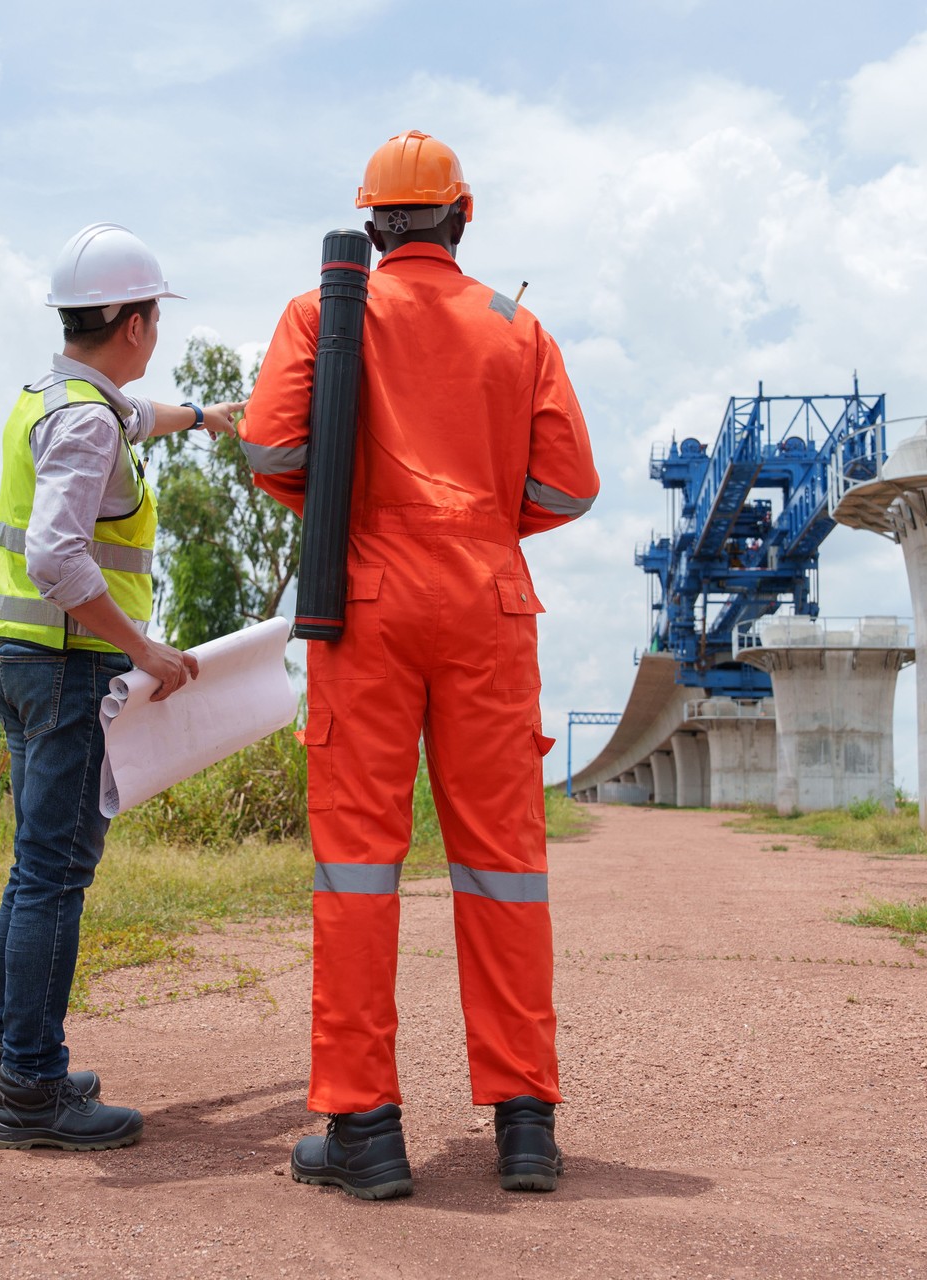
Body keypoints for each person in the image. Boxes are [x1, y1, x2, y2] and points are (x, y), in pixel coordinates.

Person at [239, 131, 599, 1197]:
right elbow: (572, 486)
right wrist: (486, 516)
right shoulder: (515, 326)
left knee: (358, 864)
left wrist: (348, 507)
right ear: (463, 215)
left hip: (367, 598)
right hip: (490, 601)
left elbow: (269, 448)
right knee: (504, 863)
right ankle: (525, 1123)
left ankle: (363, 1127)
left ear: (370, 221)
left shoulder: (325, 314)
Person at [0, 223, 243, 1151]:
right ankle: (32, 1094)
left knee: (31, 871)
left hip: (19, 660)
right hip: (68, 668)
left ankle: (12, 1064)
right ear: (133, 323)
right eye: (154, 315)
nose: (156, 331)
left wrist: (208, 419)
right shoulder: (88, 419)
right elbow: (56, 552)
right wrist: (147, 650)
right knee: (55, 875)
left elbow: (142, 419)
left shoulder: (60, 395)